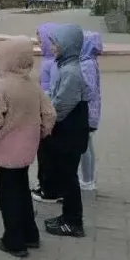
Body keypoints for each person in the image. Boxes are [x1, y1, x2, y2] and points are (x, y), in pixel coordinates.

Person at [0, 36, 56, 257]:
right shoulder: (34, 87)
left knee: (9, 195)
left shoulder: (0, 87)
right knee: (22, 190)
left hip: (5, 151)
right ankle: (30, 234)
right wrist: (39, 135)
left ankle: (14, 240)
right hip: (27, 150)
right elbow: (49, 115)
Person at [43, 24, 90, 238]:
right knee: (65, 175)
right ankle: (67, 216)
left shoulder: (70, 72)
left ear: (68, 45)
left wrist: (46, 117)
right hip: (67, 131)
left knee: (69, 177)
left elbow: (61, 105)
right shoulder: (65, 66)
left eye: (56, 43)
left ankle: (73, 221)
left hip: (69, 132)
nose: (52, 47)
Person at [32, 22, 60, 201]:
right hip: (44, 110)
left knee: (47, 152)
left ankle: (49, 187)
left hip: (47, 113)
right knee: (43, 152)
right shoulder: (48, 61)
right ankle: (43, 181)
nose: (39, 43)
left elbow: (51, 90)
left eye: (41, 39)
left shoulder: (53, 64)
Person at [79, 31, 102, 191]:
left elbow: (87, 89)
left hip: (87, 113)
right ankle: (89, 178)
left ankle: (87, 180)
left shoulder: (86, 64)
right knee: (87, 145)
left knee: (84, 147)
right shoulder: (90, 62)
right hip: (91, 113)